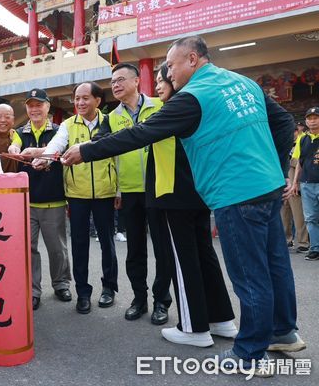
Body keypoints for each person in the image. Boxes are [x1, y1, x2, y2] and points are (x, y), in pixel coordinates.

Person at [62, 36, 304, 373]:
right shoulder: (242, 82)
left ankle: (249, 352)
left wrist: (85, 151)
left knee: (250, 275)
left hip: (235, 192)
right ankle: (283, 332)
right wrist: (274, 168)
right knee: (275, 265)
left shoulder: (192, 97)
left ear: (193, 59)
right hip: (265, 187)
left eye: (171, 67)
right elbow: (283, 123)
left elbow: (140, 134)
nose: (168, 74)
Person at [149, 63, 236, 347]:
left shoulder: (174, 109)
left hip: (176, 197)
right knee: (204, 257)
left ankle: (193, 328)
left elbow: (136, 136)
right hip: (198, 194)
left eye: (163, 79)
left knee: (183, 260)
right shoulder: (196, 107)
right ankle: (221, 320)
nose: (160, 85)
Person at [33, 81, 118, 315]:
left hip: (105, 192)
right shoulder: (69, 125)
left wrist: (118, 190)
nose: (79, 103)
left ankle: (109, 288)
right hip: (77, 193)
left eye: (85, 98)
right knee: (79, 244)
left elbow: (117, 157)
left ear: (98, 101)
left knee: (107, 243)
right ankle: (83, 293)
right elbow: (56, 145)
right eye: (76, 98)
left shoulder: (109, 121)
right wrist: (45, 158)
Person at [97, 63, 172, 325]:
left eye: (120, 79)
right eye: (112, 81)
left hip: (160, 188)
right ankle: (139, 299)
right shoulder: (111, 117)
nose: (115, 85)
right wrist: (117, 188)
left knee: (163, 249)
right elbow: (101, 147)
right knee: (135, 249)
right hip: (129, 191)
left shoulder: (160, 106)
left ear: (137, 80)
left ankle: (161, 301)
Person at [8, 88, 72, 310]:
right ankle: (33, 290)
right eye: (30, 105)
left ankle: (61, 283)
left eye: (39, 105)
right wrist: (14, 148)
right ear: (26, 108)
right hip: (25, 202)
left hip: (53, 200)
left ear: (48, 107)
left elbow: (61, 153)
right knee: (29, 249)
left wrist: (38, 152)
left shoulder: (59, 131)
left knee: (57, 248)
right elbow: (14, 145)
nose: (34, 109)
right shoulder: (19, 132)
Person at [291, 106, 319, 261]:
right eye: (309, 118)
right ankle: (315, 249)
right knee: (310, 218)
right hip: (306, 183)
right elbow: (299, 164)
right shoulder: (302, 139)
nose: (312, 121)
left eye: (315, 118)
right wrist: (295, 183)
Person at [281, 121, 309, 254]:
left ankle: (303, 242)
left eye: (294, 131)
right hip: (282, 181)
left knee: (298, 213)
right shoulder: (283, 142)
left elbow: (299, 163)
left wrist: (296, 183)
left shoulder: (302, 141)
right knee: (284, 212)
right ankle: (287, 240)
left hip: (294, 180)